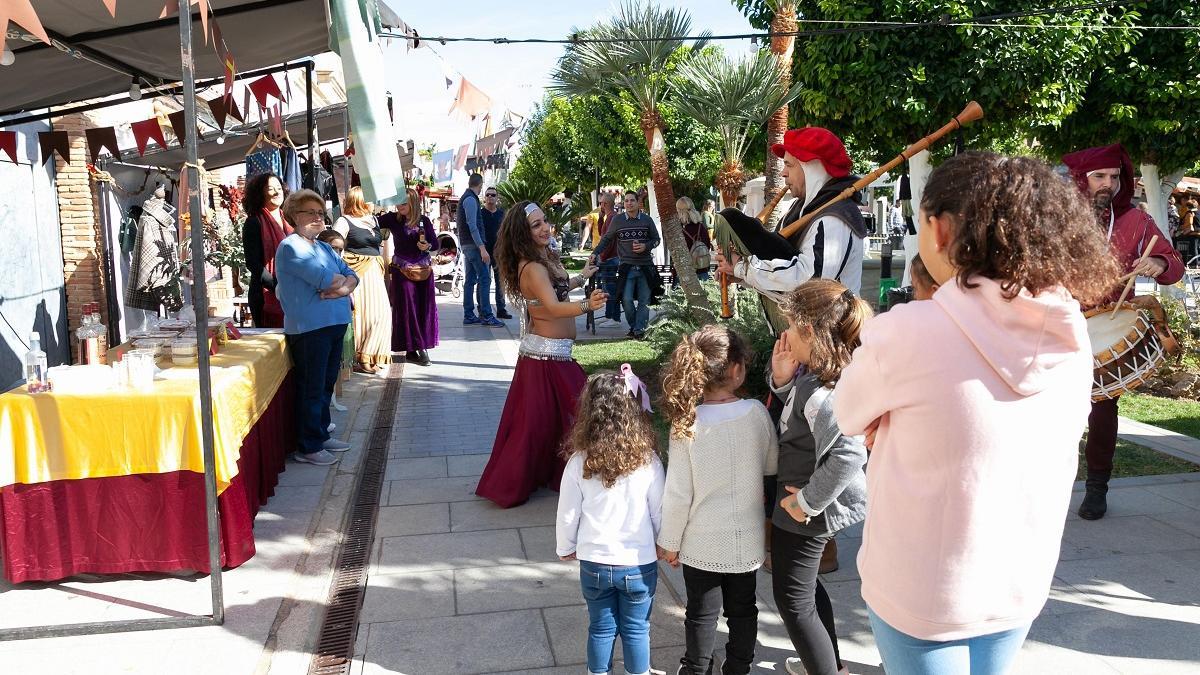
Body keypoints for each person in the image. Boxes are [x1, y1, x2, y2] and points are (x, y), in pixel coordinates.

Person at [833, 152, 1124, 673]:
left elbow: (847, 413)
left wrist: (892, 420)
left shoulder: (908, 331)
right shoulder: (1069, 328)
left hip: (921, 586)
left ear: (940, 230)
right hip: (1018, 575)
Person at [1061, 143, 1184, 520]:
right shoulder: (1059, 219)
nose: (1108, 184)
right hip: (1057, 327)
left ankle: (1097, 486)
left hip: (1109, 324)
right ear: (1082, 179)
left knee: (1103, 409)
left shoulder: (1135, 220)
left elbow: (1175, 267)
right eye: (1099, 176)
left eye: (1114, 177)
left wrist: (1158, 261)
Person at [657, 325, 778, 675]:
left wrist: (670, 542)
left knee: (701, 612)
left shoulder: (687, 424)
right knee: (743, 609)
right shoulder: (756, 413)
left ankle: (696, 668)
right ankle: (739, 665)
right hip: (747, 539)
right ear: (738, 370)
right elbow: (771, 465)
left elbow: (679, 492)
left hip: (702, 541)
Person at [767, 280, 869, 675]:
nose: (785, 334)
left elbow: (848, 452)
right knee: (803, 590)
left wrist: (805, 502)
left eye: (790, 325)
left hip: (806, 508)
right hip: (803, 503)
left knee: (792, 598)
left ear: (808, 331)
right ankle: (828, 666)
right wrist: (782, 380)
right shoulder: (817, 375)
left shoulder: (821, 390)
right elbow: (798, 419)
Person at [475, 201, 606, 508]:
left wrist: (581, 277)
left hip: (553, 357)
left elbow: (557, 289)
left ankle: (569, 477)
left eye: (545, 221)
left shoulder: (541, 260)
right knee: (544, 425)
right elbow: (553, 307)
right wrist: (589, 305)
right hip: (545, 360)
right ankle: (517, 483)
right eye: (536, 225)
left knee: (556, 422)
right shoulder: (532, 267)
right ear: (523, 232)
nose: (545, 227)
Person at [556, 369, 665, 675]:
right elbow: (659, 510)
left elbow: (568, 512)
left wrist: (566, 546)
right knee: (636, 629)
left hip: (594, 562)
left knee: (601, 628)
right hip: (638, 564)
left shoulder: (579, 461)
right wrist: (663, 544)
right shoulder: (648, 461)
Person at [715, 127, 867, 297]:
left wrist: (742, 269)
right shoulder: (799, 209)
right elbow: (784, 278)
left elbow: (811, 285)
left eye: (789, 165)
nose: (783, 172)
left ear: (812, 169)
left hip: (834, 324)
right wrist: (742, 276)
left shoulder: (835, 219)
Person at [274, 190, 358, 466]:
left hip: (334, 322)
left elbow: (351, 275)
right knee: (311, 386)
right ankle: (308, 444)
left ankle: (320, 433)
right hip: (310, 327)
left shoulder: (321, 246)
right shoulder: (290, 247)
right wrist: (340, 285)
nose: (317, 217)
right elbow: (324, 278)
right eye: (310, 212)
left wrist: (341, 289)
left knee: (325, 385)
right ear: (294, 215)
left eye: (320, 213)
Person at [334, 187, 393, 374]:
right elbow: (334, 248)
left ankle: (373, 353)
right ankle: (361, 357)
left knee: (381, 315)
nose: (372, 203)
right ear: (359, 200)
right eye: (368, 199)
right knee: (362, 315)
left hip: (375, 271)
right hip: (357, 273)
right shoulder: (344, 221)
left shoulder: (374, 219)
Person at [592, 191, 662, 340]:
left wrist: (646, 246)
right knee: (626, 300)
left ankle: (638, 331)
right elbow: (606, 239)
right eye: (626, 201)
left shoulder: (647, 220)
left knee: (644, 301)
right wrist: (595, 252)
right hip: (626, 267)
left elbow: (657, 240)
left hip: (645, 266)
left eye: (632, 201)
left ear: (637, 203)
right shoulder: (617, 220)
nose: (629, 203)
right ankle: (635, 326)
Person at [383, 188, 439, 366]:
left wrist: (426, 246)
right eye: (398, 202)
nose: (400, 206)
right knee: (408, 310)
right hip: (402, 272)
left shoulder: (424, 221)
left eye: (404, 203)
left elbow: (435, 244)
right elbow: (371, 221)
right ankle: (416, 348)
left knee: (423, 308)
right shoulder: (392, 219)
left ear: (413, 203)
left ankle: (415, 348)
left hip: (423, 272)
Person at [241, 173, 291, 328]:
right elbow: (253, 263)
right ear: (260, 194)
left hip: (293, 290)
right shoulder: (253, 222)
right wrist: (278, 287)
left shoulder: (290, 220)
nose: (277, 192)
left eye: (279, 188)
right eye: (271, 189)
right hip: (265, 293)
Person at [458, 173, 504, 327]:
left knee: (470, 280)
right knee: (485, 278)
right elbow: (473, 225)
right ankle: (486, 315)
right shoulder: (471, 199)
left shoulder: (467, 197)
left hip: (467, 245)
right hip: (473, 246)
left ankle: (469, 314)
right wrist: (482, 248)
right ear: (480, 184)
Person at [316, 229, 354, 411]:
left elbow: (354, 277)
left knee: (331, 375)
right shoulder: (316, 261)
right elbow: (326, 282)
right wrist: (343, 282)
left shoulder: (340, 262)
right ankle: (319, 426)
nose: (337, 253)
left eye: (340, 249)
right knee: (319, 378)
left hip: (340, 322)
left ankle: (325, 420)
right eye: (333, 248)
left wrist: (344, 285)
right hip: (323, 324)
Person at [481, 186, 513, 319]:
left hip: (499, 253)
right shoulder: (480, 214)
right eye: (488, 195)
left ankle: (501, 309)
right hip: (484, 253)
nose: (490, 197)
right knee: (484, 281)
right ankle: (483, 309)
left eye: (493, 195)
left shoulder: (502, 214)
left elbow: (507, 233)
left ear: (497, 198)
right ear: (484, 198)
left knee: (500, 282)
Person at [591, 192, 623, 323]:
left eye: (601, 203)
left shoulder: (612, 218)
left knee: (609, 288)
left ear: (604, 204)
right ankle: (610, 316)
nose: (600, 206)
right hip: (612, 257)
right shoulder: (610, 217)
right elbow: (602, 233)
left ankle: (613, 317)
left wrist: (602, 256)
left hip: (610, 258)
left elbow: (607, 240)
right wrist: (600, 219)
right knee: (608, 287)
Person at [677, 196, 713, 282]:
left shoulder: (680, 230)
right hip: (703, 268)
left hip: (687, 273)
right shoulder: (701, 227)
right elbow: (707, 246)